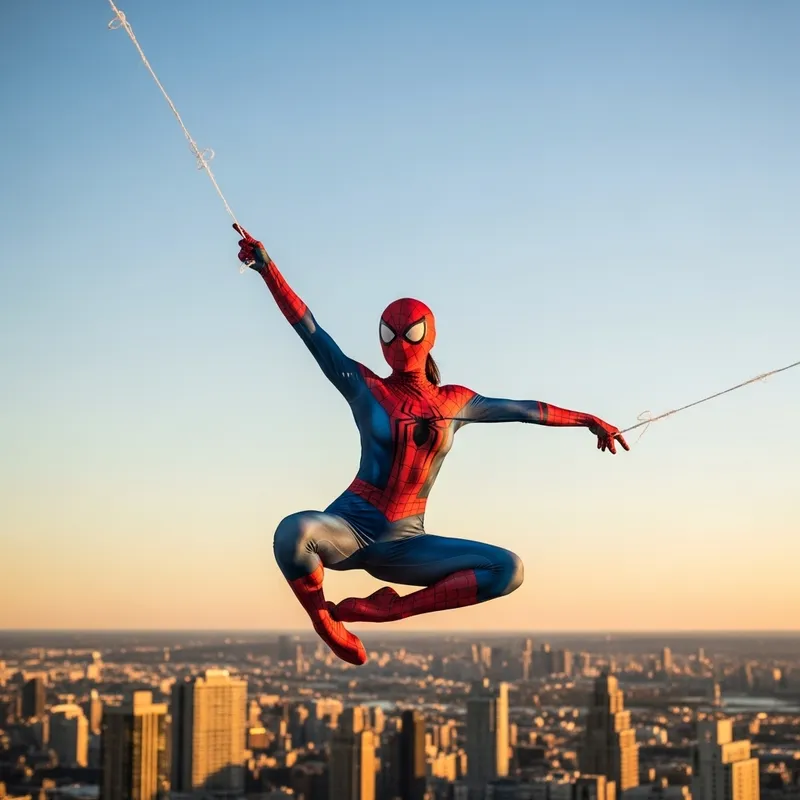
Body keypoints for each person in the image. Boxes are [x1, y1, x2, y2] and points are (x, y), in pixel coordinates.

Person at [235, 224, 629, 665]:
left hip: (405, 544)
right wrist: (267, 268)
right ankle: (326, 621)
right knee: (294, 531)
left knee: (508, 569)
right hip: (348, 530)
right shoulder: (365, 388)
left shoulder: (455, 402)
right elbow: (310, 330)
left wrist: (588, 421)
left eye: (411, 333)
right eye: (390, 335)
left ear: (430, 336)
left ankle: (391, 609)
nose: (400, 344)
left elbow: (524, 409)